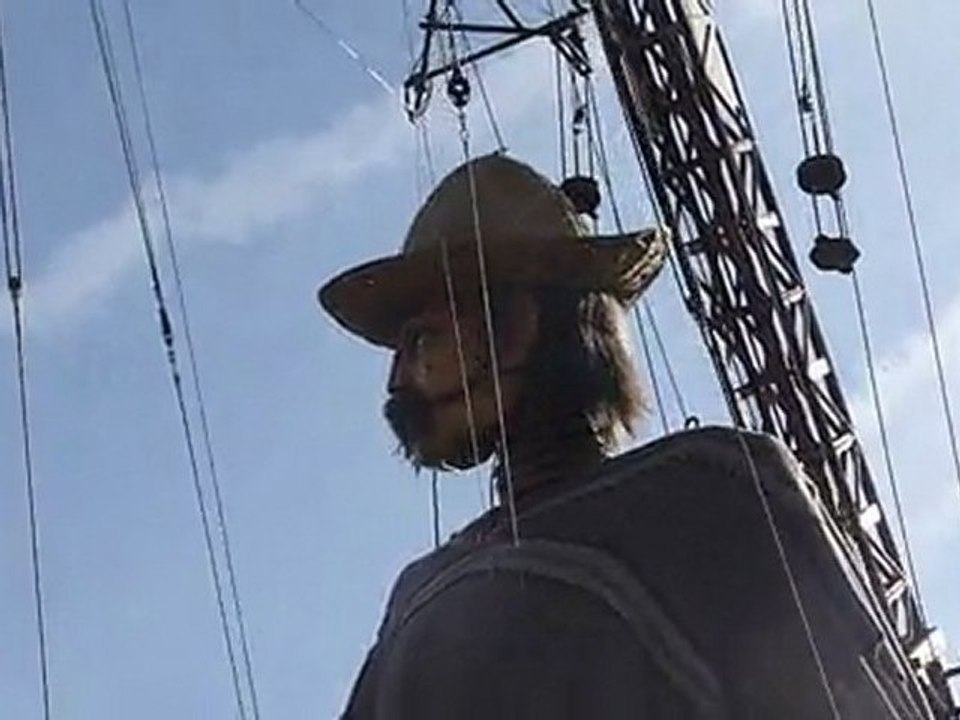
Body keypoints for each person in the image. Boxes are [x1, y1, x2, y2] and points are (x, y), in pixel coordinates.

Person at [319, 154, 901, 719]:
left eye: (421, 340)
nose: (397, 379)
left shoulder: (707, 493)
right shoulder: (418, 593)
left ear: (517, 328)